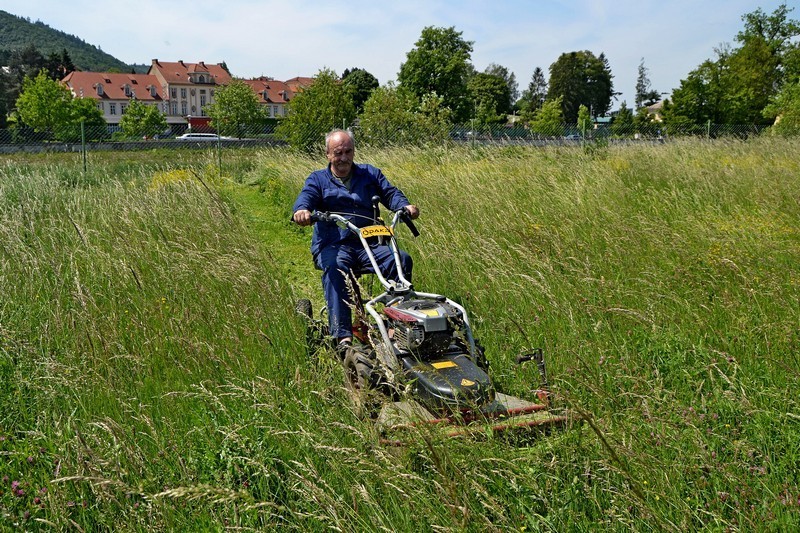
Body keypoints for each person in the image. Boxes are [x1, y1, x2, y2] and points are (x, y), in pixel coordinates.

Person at [292, 129, 419, 351]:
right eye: (337, 152)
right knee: (336, 267)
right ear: (327, 154)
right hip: (333, 244)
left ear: (354, 152)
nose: (343, 158)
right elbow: (306, 196)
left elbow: (390, 193)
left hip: (368, 246)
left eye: (348, 151)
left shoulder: (369, 174)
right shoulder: (318, 179)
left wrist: (404, 206)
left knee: (400, 261)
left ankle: (396, 326)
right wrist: (302, 210)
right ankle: (343, 339)